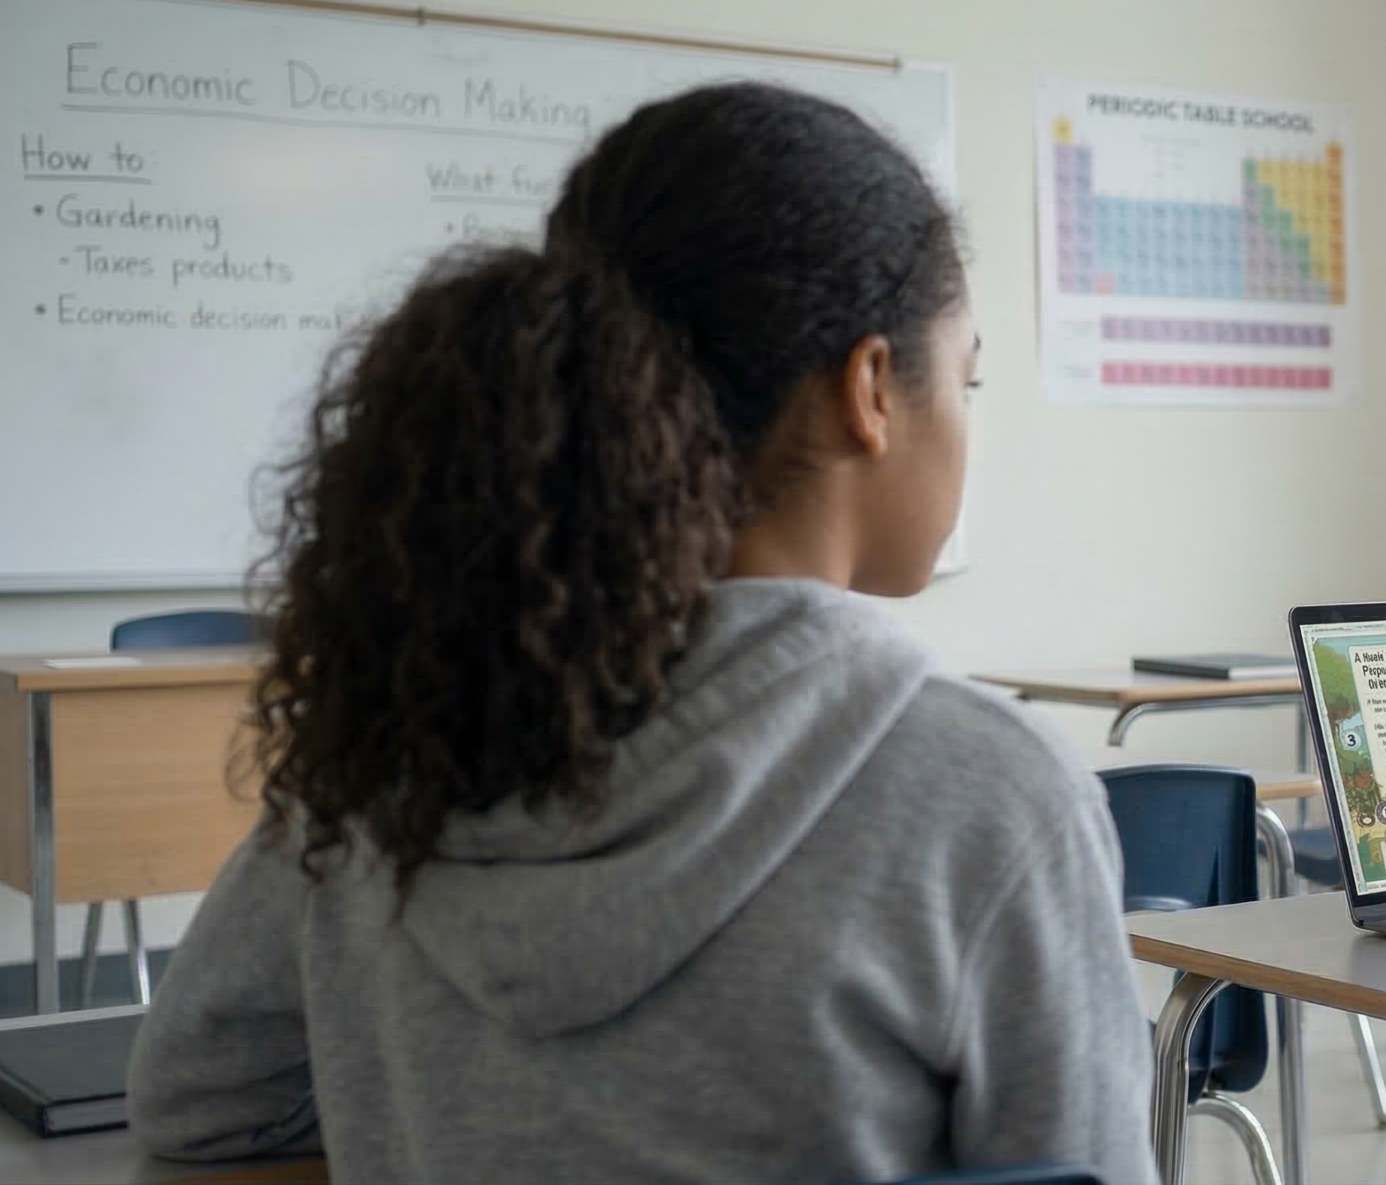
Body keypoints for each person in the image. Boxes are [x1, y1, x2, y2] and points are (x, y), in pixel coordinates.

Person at [128, 83, 1155, 1185]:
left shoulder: (389, 751)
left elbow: (199, 1110)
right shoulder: (990, 794)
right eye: (969, 375)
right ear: (869, 389)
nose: (968, 412)